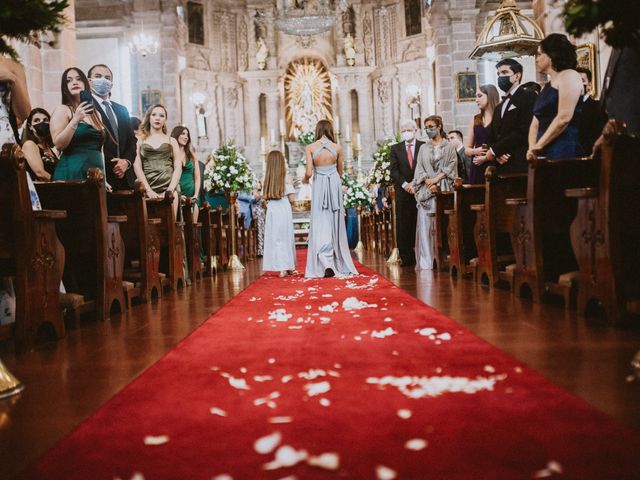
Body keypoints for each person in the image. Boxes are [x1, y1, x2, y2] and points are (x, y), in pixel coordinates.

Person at [303, 119, 357, 278]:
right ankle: (336, 260)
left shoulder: (311, 148)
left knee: (320, 221)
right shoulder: (337, 147)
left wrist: (305, 180)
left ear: (317, 130)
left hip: (320, 184)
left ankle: (324, 262)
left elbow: (308, 173)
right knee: (335, 222)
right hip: (333, 183)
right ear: (330, 130)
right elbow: (340, 172)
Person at [527, 34, 584, 161]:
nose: (536, 59)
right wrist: (532, 147)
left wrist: (539, 145)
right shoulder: (546, 86)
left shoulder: (569, 75)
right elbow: (535, 123)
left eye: (540, 54)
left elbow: (564, 117)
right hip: (541, 151)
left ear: (552, 55)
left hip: (563, 149)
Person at [414, 115, 458, 270]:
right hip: (427, 190)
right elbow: (419, 168)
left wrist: (437, 180)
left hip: (444, 188)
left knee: (444, 225)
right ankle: (427, 259)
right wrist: (428, 181)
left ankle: (445, 257)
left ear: (439, 126)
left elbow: (452, 166)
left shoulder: (449, 146)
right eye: (426, 128)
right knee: (427, 226)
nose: (428, 130)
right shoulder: (423, 148)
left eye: (431, 127)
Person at [50, 67, 108, 183]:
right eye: (69, 80)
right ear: (65, 88)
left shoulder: (96, 114)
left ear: (86, 84)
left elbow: (100, 150)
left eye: (78, 79)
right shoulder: (63, 110)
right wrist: (75, 119)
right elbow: (58, 144)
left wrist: (104, 178)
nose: (74, 82)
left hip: (96, 173)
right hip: (72, 172)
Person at [88, 64, 137, 190]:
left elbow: (132, 140)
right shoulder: (86, 108)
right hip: (102, 175)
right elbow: (90, 142)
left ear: (111, 84)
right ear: (89, 81)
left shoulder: (122, 110)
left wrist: (126, 162)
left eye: (107, 77)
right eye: (98, 76)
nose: (104, 80)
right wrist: (115, 165)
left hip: (126, 176)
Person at [485, 58, 537, 173]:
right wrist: (496, 154)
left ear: (517, 76)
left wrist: (495, 150)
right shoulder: (499, 107)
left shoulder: (528, 96)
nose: (500, 77)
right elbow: (492, 135)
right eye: (498, 74)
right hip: (500, 165)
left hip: (520, 163)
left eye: (504, 73)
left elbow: (523, 131)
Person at [133, 104, 182, 213]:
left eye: (161, 115)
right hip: (146, 186)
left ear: (165, 119)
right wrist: (148, 190)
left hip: (169, 186)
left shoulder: (172, 141)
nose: (157, 118)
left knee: (170, 222)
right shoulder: (140, 140)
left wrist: (170, 189)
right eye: (154, 114)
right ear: (149, 117)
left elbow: (178, 166)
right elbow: (137, 165)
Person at [389, 119, 424, 266]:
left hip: (420, 188)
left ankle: (422, 254)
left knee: (420, 221)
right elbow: (394, 171)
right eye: (402, 130)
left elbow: (424, 165)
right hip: (403, 191)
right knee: (403, 223)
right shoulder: (395, 149)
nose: (405, 132)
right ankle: (406, 256)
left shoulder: (423, 146)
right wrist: (405, 185)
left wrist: (415, 183)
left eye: (408, 130)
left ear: (415, 130)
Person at [262, 150, 296, 277]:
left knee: (276, 238)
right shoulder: (287, 178)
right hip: (283, 207)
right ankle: (286, 266)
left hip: (272, 208)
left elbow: (264, 198)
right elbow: (292, 199)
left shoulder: (267, 179)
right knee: (285, 236)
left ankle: (281, 266)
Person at [464, 84, 500, 184]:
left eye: (479, 96)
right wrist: (475, 151)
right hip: (477, 165)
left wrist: (485, 157)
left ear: (490, 96)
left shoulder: (499, 118)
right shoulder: (475, 119)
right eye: (476, 96)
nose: (476, 100)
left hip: (494, 164)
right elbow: (467, 149)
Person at [172, 126, 200, 222]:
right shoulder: (171, 153)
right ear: (176, 135)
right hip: (176, 194)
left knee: (193, 224)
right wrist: (178, 194)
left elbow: (197, 178)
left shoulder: (191, 154)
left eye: (187, 135)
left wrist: (196, 194)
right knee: (178, 224)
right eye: (183, 134)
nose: (186, 137)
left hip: (191, 196)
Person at [576, 67, 607, 155]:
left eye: (582, 80)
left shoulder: (597, 107)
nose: (578, 84)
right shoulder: (567, 107)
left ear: (589, 85)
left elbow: (595, 136)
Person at [21, 108, 57, 181]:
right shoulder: (30, 145)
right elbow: (40, 173)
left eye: (45, 120)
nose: (42, 123)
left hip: (54, 187)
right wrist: (60, 182)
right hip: (43, 190)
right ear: (30, 126)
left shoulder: (48, 147)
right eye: (37, 120)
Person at [252, 179, 266, 257]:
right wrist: (259, 196)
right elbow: (254, 199)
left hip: (261, 212)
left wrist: (263, 200)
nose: (259, 187)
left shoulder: (260, 193)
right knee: (259, 231)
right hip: (257, 212)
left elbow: (263, 204)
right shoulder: (254, 192)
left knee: (262, 231)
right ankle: (259, 250)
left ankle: (262, 249)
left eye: (260, 187)